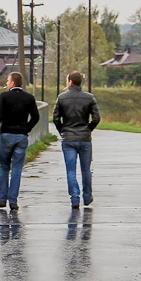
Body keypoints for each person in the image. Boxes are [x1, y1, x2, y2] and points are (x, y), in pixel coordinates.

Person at [0, 71, 39, 210]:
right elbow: (36, 117)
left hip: (6, 136)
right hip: (21, 137)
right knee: (17, 169)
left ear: (13, 83)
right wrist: (26, 129)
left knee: (4, 167)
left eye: (8, 81)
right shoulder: (29, 98)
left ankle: (2, 199)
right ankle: (13, 201)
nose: (6, 83)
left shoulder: (5, 96)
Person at [53, 70, 101, 208]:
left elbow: (56, 118)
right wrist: (88, 129)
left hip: (68, 139)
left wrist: (62, 130)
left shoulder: (62, 98)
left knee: (71, 170)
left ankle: (75, 198)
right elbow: (97, 118)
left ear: (70, 82)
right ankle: (87, 197)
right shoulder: (89, 97)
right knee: (86, 169)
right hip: (85, 138)